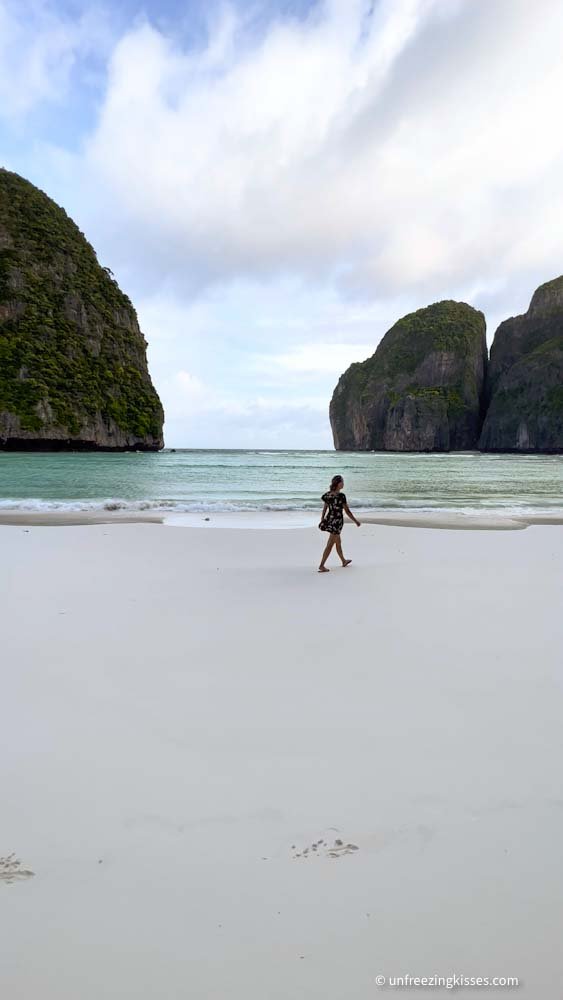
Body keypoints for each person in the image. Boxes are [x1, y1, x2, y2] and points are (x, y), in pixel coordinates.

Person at [318, 475, 360, 573]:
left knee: (338, 542)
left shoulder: (327, 495)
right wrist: (356, 521)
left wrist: (322, 518)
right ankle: (321, 565)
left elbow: (325, 508)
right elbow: (347, 511)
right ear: (338, 483)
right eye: (342, 482)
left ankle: (343, 561)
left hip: (330, 520)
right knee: (330, 544)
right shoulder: (341, 496)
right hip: (337, 522)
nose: (343, 483)